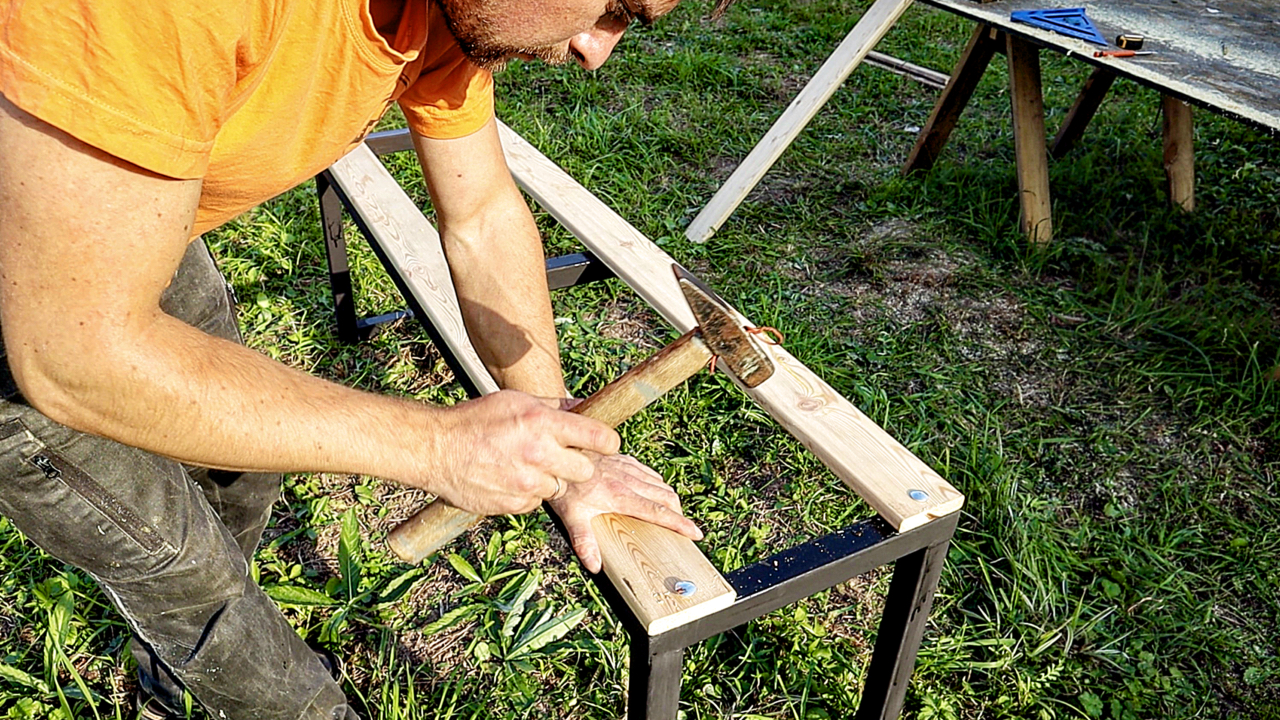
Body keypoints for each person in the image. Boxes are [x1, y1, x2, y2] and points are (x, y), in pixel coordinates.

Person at [0, 0, 729, 716]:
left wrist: (560, 440)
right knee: (194, 585)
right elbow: (78, 354)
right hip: (35, 307)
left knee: (241, 478)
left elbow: (480, 217)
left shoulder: (451, 18)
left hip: (123, 224)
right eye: (614, 6)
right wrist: (436, 444)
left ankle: (171, 674)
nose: (597, 52)